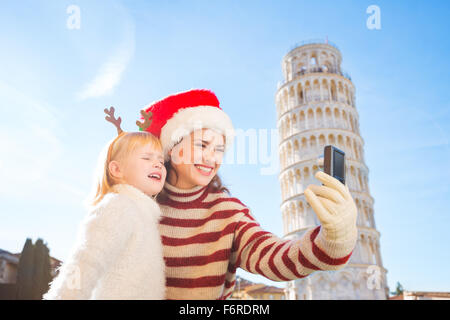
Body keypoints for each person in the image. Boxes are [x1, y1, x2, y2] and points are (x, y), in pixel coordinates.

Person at [139, 89, 358, 300]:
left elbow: (273, 257)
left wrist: (335, 238)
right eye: (202, 145)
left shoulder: (227, 212)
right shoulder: (137, 207)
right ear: (170, 149)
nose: (211, 158)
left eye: (219, 150)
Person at [44, 107, 166, 299]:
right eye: (147, 157)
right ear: (116, 169)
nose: (158, 164)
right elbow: (84, 262)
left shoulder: (144, 215)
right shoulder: (119, 205)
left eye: (161, 160)